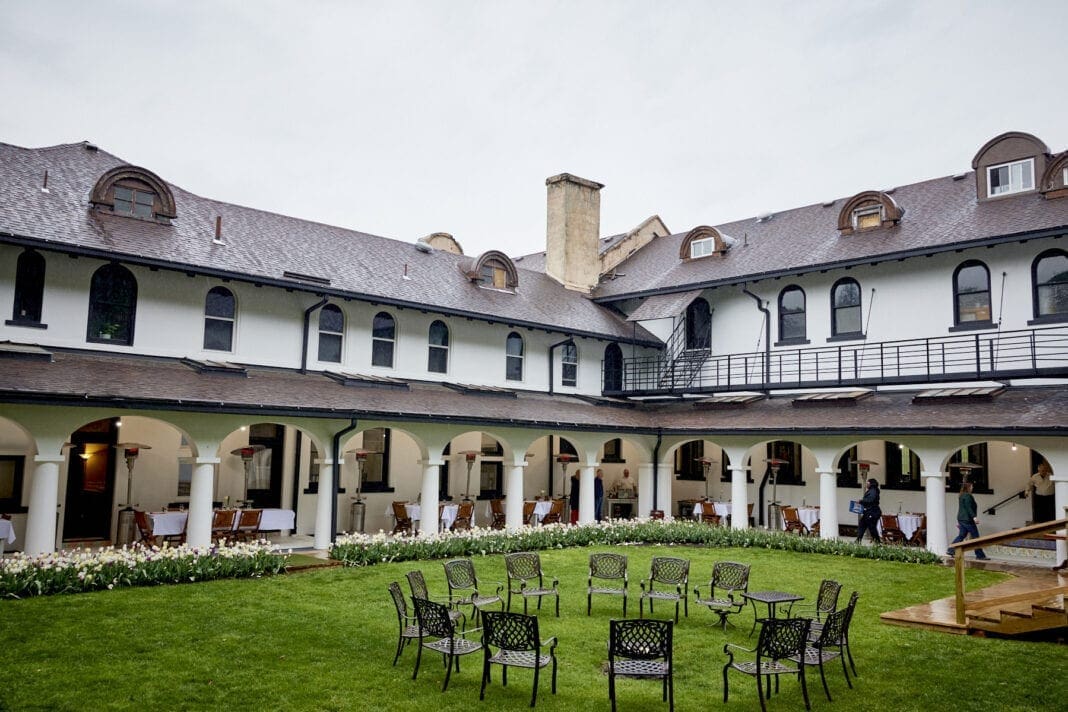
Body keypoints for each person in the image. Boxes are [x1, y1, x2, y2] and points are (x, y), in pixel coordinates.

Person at [947, 482, 988, 560]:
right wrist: (974, 517)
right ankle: (980, 555)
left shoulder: (961, 495)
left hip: (962, 519)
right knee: (976, 537)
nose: (972, 488)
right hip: (967, 520)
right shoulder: (968, 496)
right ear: (968, 488)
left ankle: (951, 550)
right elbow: (968, 508)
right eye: (971, 486)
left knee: (961, 535)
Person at [854, 478, 881, 543]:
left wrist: (861, 501)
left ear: (871, 484)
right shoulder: (872, 490)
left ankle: (878, 542)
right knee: (862, 525)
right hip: (868, 512)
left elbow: (870, 500)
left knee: (872, 528)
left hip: (872, 512)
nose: (866, 485)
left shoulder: (873, 491)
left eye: (867, 483)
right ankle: (858, 540)